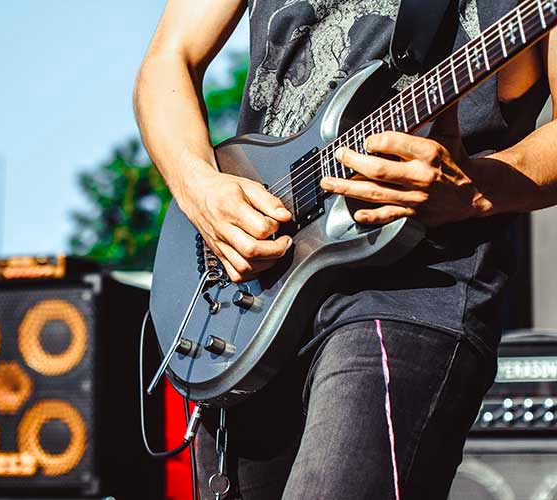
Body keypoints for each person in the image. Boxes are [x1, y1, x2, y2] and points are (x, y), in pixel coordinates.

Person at [134, 0, 557, 499]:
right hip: (252, 292)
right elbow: (168, 59)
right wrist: (199, 186)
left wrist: (475, 187)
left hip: (416, 282)